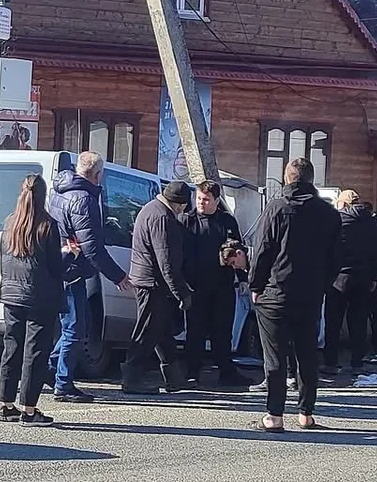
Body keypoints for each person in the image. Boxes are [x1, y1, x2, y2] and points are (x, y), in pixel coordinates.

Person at [248, 158, 340, 433]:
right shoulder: (329, 213)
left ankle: (275, 416)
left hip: (275, 293)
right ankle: (306, 414)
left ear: (287, 179)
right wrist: (322, 286)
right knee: (306, 353)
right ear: (312, 180)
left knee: (275, 357)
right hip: (310, 294)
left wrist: (256, 285)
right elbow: (336, 258)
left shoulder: (276, 208)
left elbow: (263, 248)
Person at [47, 151, 129, 403]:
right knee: (74, 328)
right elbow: (92, 246)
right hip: (73, 270)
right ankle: (63, 383)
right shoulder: (84, 199)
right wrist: (118, 276)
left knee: (68, 327)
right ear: (97, 174)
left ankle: (51, 371)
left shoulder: (58, 192)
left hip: (59, 265)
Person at [0, 173, 71, 427]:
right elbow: (55, 267)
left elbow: (3, 260)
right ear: (43, 195)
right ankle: (29, 410)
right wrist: (69, 255)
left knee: (12, 347)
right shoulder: (47, 225)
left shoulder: (9, 222)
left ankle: (7, 405)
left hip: (11, 292)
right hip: (40, 296)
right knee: (35, 352)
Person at [122, 180, 193, 395]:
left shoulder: (151, 208)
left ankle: (174, 377)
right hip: (152, 282)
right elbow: (166, 261)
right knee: (147, 330)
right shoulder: (162, 217)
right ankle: (131, 377)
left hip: (148, 279)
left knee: (160, 330)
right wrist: (181, 291)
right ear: (180, 204)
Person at [181, 180, 250, 388]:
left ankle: (226, 372)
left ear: (216, 201)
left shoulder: (226, 221)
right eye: (199, 198)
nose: (201, 203)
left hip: (222, 285)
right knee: (195, 331)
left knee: (223, 331)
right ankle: (193, 372)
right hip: (195, 286)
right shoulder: (187, 220)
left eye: (206, 200)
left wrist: (244, 278)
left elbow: (240, 251)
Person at [324, 190, 377, 375]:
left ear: (342, 204)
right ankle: (357, 363)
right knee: (358, 322)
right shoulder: (371, 222)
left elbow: (328, 250)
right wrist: (375, 277)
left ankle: (330, 363)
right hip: (364, 279)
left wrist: (327, 275)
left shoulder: (336, 222)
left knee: (333, 322)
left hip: (338, 279)